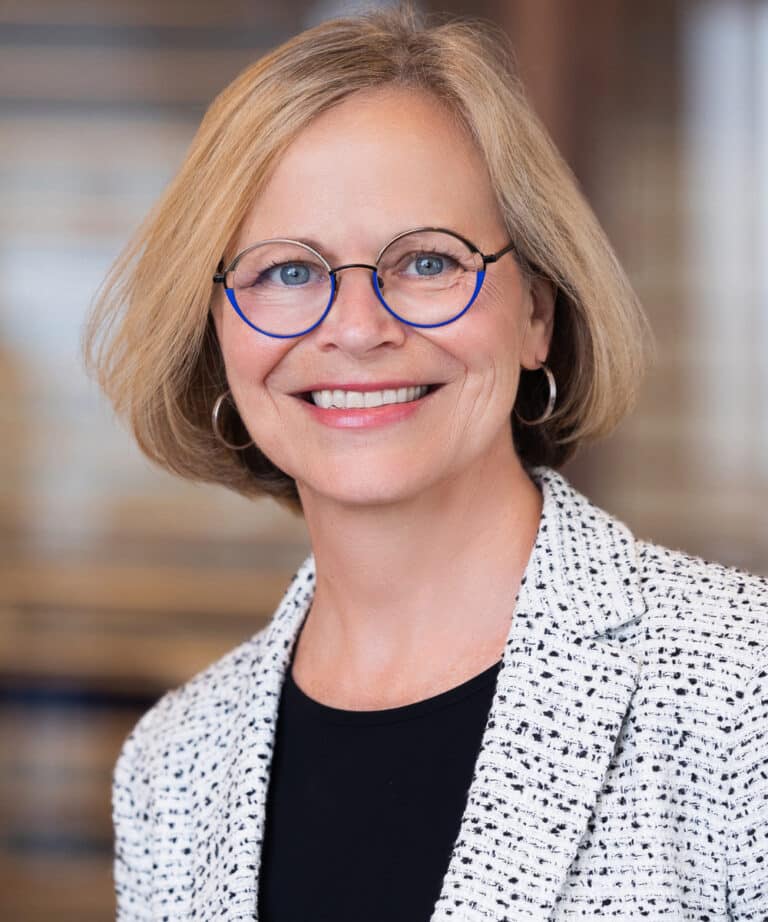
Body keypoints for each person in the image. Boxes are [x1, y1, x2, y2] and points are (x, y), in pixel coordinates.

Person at [85, 6, 768, 921]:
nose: (359, 329)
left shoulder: (738, 686)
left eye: (428, 262)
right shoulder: (172, 765)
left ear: (537, 313)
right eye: (287, 272)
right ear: (216, 338)